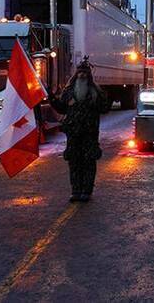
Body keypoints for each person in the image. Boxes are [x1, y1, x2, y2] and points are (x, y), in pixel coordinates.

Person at [49, 57, 109, 202]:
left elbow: (104, 108)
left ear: (89, 75)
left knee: (88, 162)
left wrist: (104, 98)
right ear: (76, 75)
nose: (82, 75)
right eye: (80, 72)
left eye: (85, 73)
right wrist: (51, 98)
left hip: (89, 133)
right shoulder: (68, 91)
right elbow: (62, 109)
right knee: (74, 162)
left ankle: (87, 191)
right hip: (73, 133)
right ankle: (75, 191)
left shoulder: (95, 92)